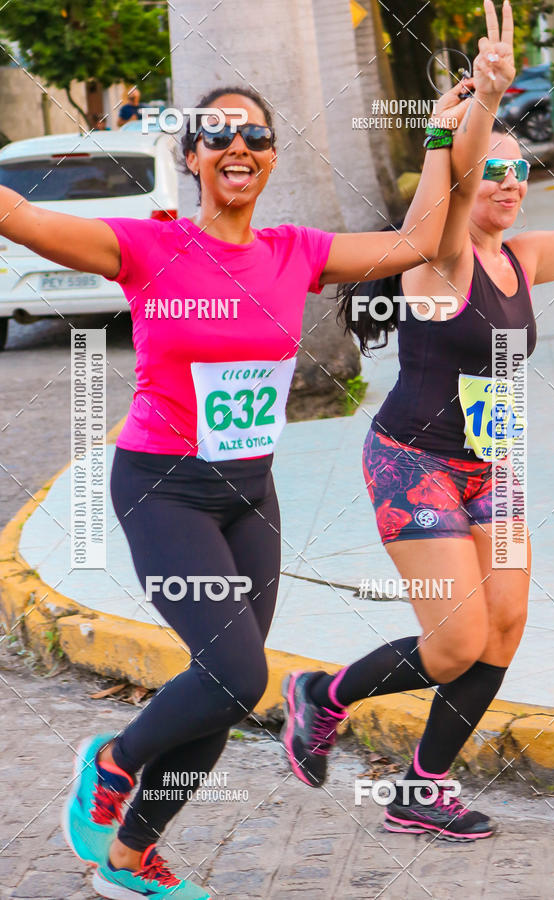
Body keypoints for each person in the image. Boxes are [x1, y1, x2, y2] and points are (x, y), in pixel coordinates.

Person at [1, 76, 466, 895]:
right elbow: (23, 218)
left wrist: (439, 133)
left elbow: (422, 239)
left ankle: (129, 857)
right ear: (191, 158)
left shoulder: (298, 252)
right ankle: (111, 761)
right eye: (216, 135)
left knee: (223, 688)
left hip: (251, 495)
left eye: (252, 135)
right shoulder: (148, 247)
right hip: (164, 489)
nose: (236, 147)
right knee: (237, 675)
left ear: (272, 157)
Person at [282, 0, 554, 842]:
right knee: (455, 640)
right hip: (411, 464)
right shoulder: (446, 252)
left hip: (490, 466)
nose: (506, 183)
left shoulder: (522, 256)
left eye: (519, 173)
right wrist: (485, 104)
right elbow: (450, 190)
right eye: (492, 171)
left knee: (504, 627)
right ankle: (324, 695)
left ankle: (423, 788)